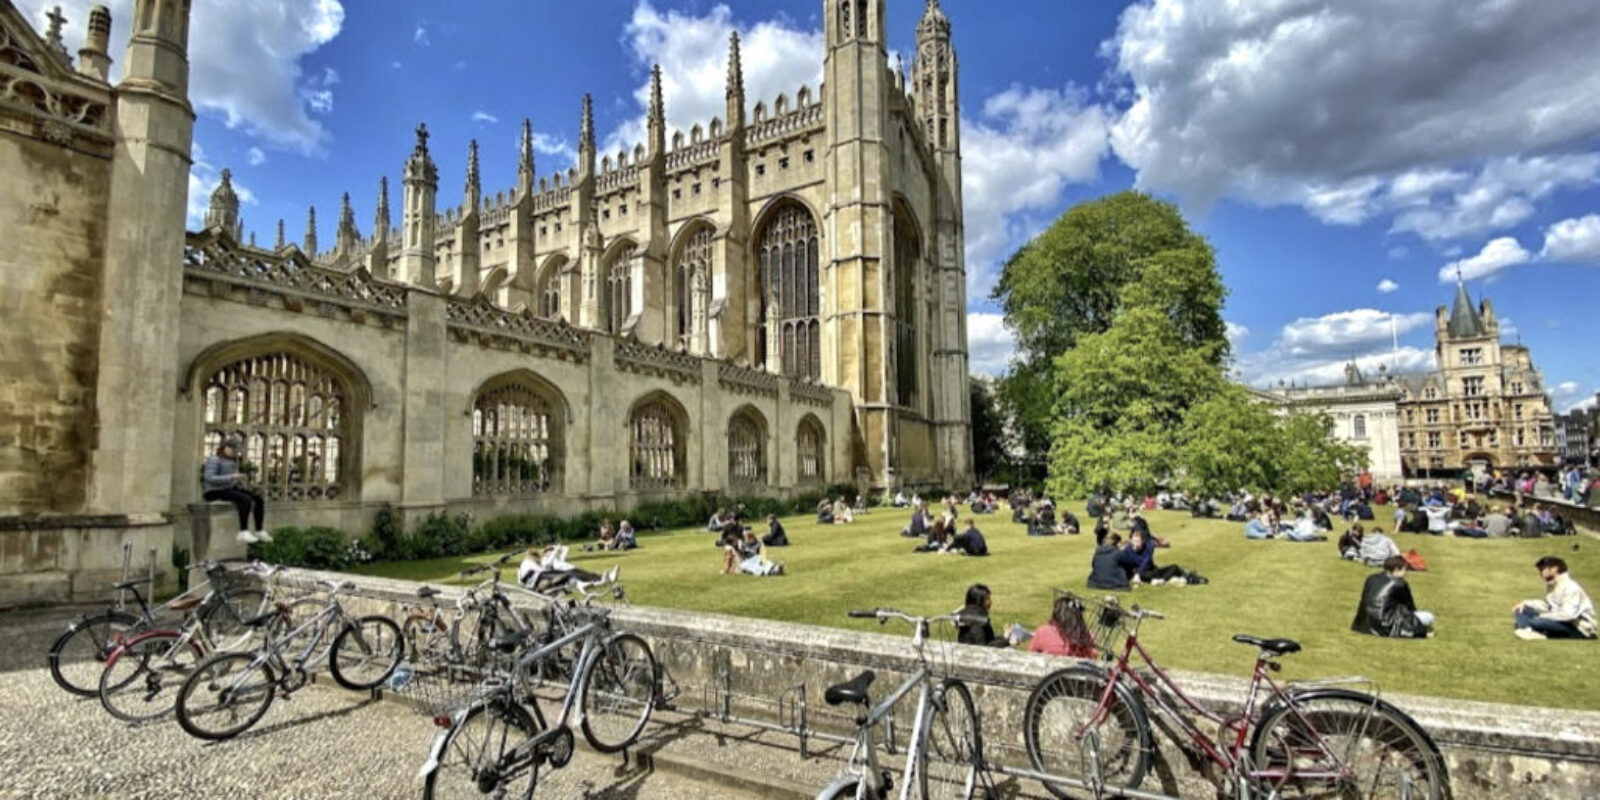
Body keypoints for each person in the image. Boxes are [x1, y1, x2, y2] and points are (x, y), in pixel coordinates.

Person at [203, 437, 271, 544]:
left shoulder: (233, 461)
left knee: (258, 500)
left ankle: (259, 530)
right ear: (227, 448)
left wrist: (240, 480)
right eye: (234, 451)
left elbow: (232, 479)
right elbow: (209, 478)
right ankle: (243, 531)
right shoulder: (214, 459)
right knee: (245, 499)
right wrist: (231, 477)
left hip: (229, 489)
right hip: (213, 491)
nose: (235, 453)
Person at [1512, 557, 1596, 640]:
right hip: (1560, 622)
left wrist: (1543, 617)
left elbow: (1568, 615)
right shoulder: (1552, 585)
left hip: (1579, 629)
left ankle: (1529, 629)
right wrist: (1526, 603)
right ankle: (1527, 630)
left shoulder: (1571, 587)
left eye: (1543, 569)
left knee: (1537, 621)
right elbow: (1548, 605)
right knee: (1522, 610)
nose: (1541, 573)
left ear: (1554, 569)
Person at [1350, 555, 1433, 638]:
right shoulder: (1400, 583)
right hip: (1386, 625)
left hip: (1364, 623)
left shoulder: (1371, 578)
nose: (1405, 573)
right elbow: (1410, 607)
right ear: (1397, 570)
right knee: (1428, 616)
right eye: (1404, 569)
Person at [1028, 594, 1098, 659]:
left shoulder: (1042, 632)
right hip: (1080, 672)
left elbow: (1031, 657)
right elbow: (1093, 656)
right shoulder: (1088, 636)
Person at [519, 544, 601, 594]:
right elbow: (542, 569)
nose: (537, 560)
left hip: (541, 577)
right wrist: (555, 551)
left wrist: (557, 548)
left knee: (574, 574)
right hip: (541, 577)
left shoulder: (526, 563)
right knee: (567, 575)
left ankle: (597, 579)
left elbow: (565, 550)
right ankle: (585, 584)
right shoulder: (531, 562)